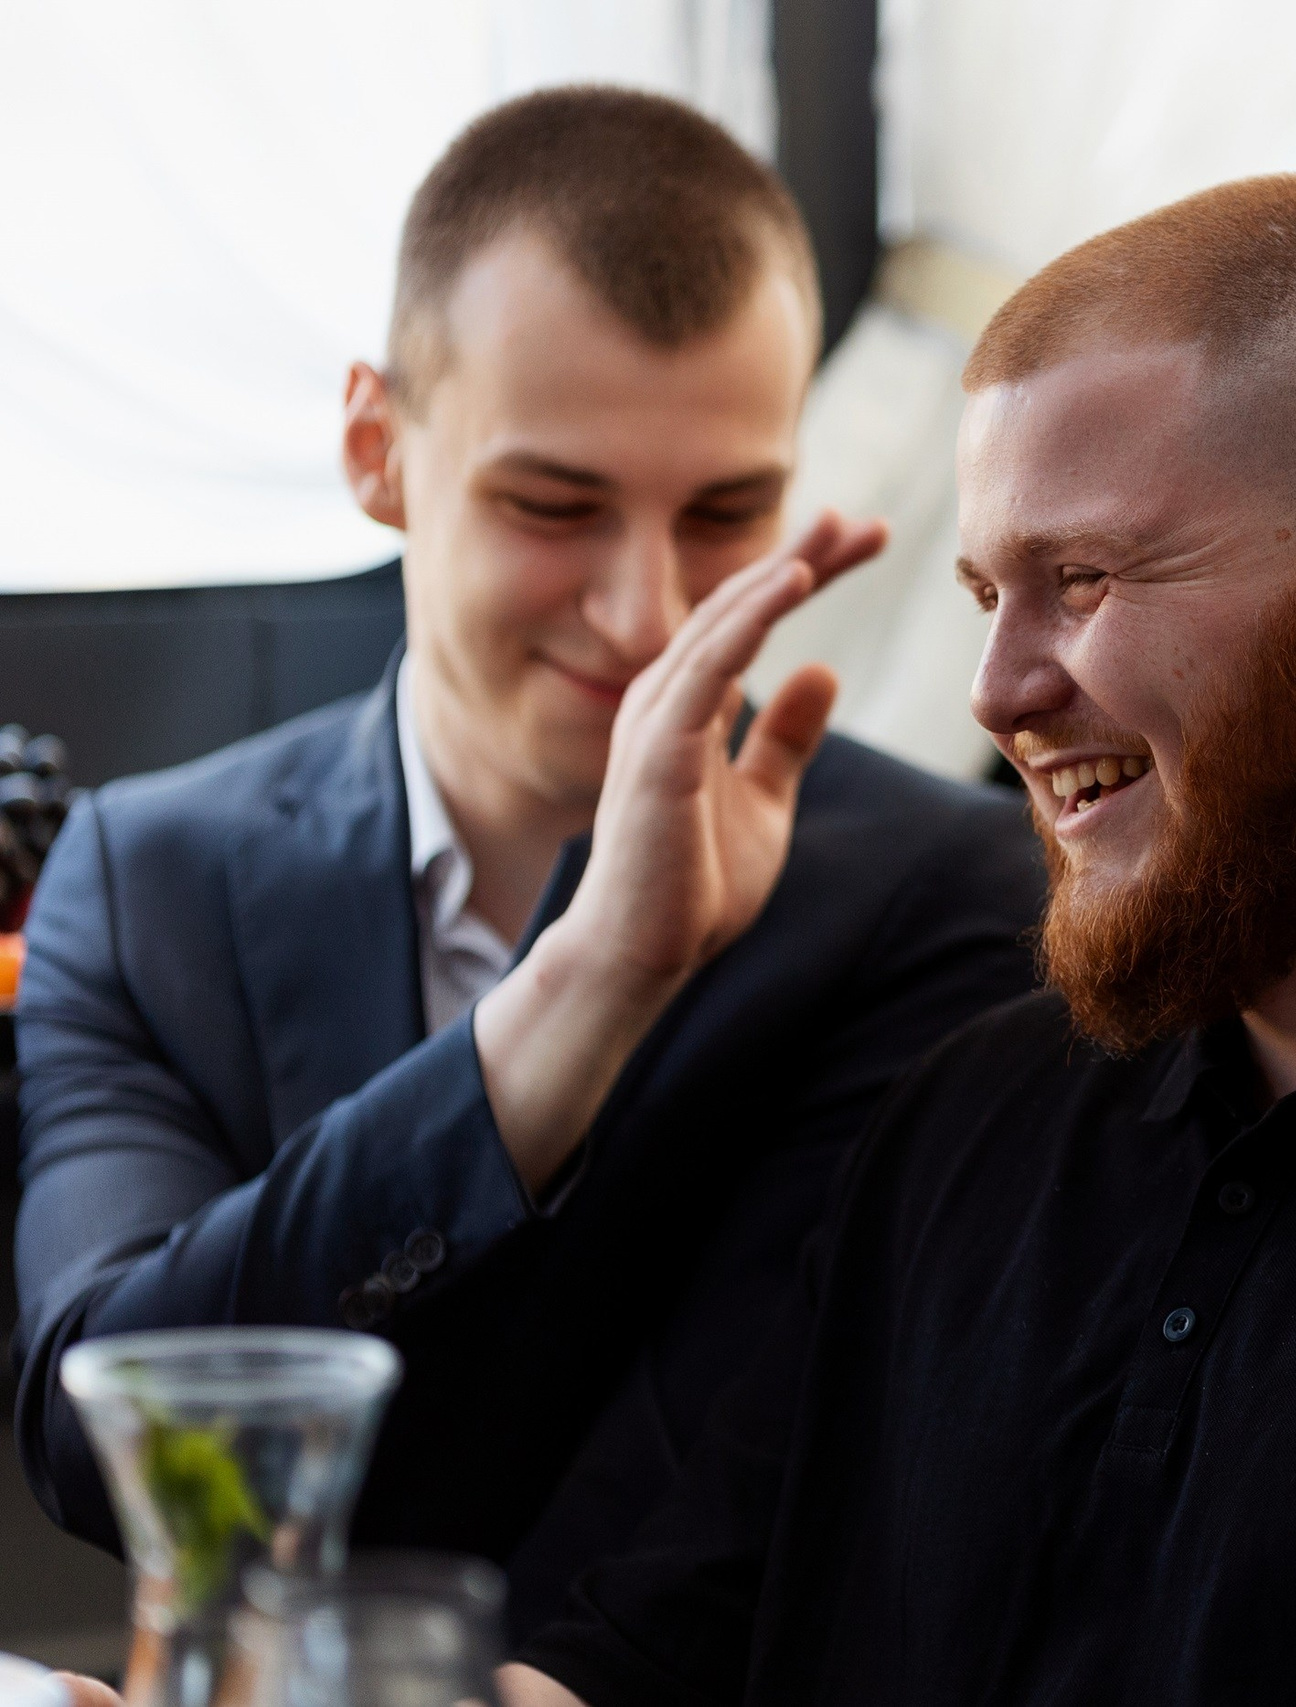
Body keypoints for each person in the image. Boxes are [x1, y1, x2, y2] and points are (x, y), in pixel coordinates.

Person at [500, 175, 1296, 1707]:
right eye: (988, 591)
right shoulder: (966, 1119)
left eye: (1088, 577)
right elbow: (652, 1655)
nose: (996, 689)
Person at [12, 87, 1044, 1632]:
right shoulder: (151, 874)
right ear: (378, 449)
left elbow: (780, 1477)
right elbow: (114, 1434)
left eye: (725, 510)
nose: (641, 612)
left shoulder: (947, 890)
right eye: (552, 504)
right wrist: (582, 988)